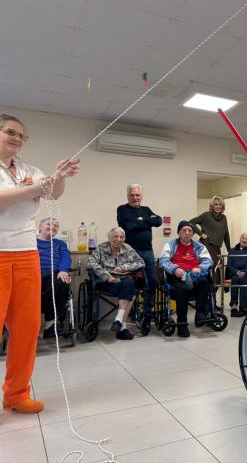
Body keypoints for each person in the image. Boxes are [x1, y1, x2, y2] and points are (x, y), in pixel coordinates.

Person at [0, 113, 80, 414]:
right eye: (11, 132)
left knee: (27, 327)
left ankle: (16, 394)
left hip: (26, 253)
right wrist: (35, 189)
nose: (17, 138)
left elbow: (51, 193)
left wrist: (60, 177)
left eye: (22, 135)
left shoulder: (28, 170)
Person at [88, 227, 145, 340]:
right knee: (132, 291)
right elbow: (91, 263)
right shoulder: (101, 248)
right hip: (106, 283)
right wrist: (107, 276)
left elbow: (141, 262)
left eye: (121, 237)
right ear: (109, 237)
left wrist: (123, 268)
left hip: (124, 282)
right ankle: (122, 326)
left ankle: (118, 321)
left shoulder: (127, 248)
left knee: (129, 283)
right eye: (115, 236)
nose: (119, 239)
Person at [160, 221, 213, 337]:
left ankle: (200, 313)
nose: (187, 233)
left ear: (193, 233)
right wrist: (175, 269)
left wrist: (200, 268)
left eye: (190, 231)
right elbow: (163, 261)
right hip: (177, 277)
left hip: (194, 275)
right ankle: (182, 324)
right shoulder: (170, 245)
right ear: (179, 232)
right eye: (184, 230)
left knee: (204, 281)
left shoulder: (199, 246)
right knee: (182, 289)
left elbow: (208, 260)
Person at [117, 184, 162, 317]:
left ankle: (147, 312)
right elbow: (130, 225)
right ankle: (130, 312)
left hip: (148, 251)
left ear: (141, 196)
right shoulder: (122, 209)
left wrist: (142, 220)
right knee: (133, 283)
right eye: (132, 195)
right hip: (130, 253)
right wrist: (148, 222)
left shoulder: (146, 209)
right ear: (128, 196)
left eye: (137, 195)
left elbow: (158, 221)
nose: (135, 198)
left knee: (152, 281)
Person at [37, 218, 72, 339]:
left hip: (54, 274)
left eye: (56, 226)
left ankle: (50, 325)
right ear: (40, 227)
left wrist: (63, 270)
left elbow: (66, 258)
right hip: (35, 274)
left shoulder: (60, 244)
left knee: (62, 282)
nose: (53, 227)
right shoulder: (31, 243)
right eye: (49, 224)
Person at [190, 195, 231, 267]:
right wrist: (201, 234)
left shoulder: (224, 218)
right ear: (212, 206)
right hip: (206, 245)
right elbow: (191, 222)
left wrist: (229, 249)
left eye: (220, 205)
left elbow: (226, 234)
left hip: (217, 247)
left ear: (222, 206)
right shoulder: (206, 215)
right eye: (216, 204)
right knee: (210, 267)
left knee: (217, 268)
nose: (218, 206)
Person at [227, 232, 247, 317]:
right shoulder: (232, 251)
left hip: (246, 274)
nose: (244, 240)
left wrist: (245, 272)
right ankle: (234, 306)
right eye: (243, 238)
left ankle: (243, 308)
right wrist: (237, 272)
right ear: (240, 239)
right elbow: (229, 265)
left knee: (243, 280)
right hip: (235, 273)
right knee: (235, 279)